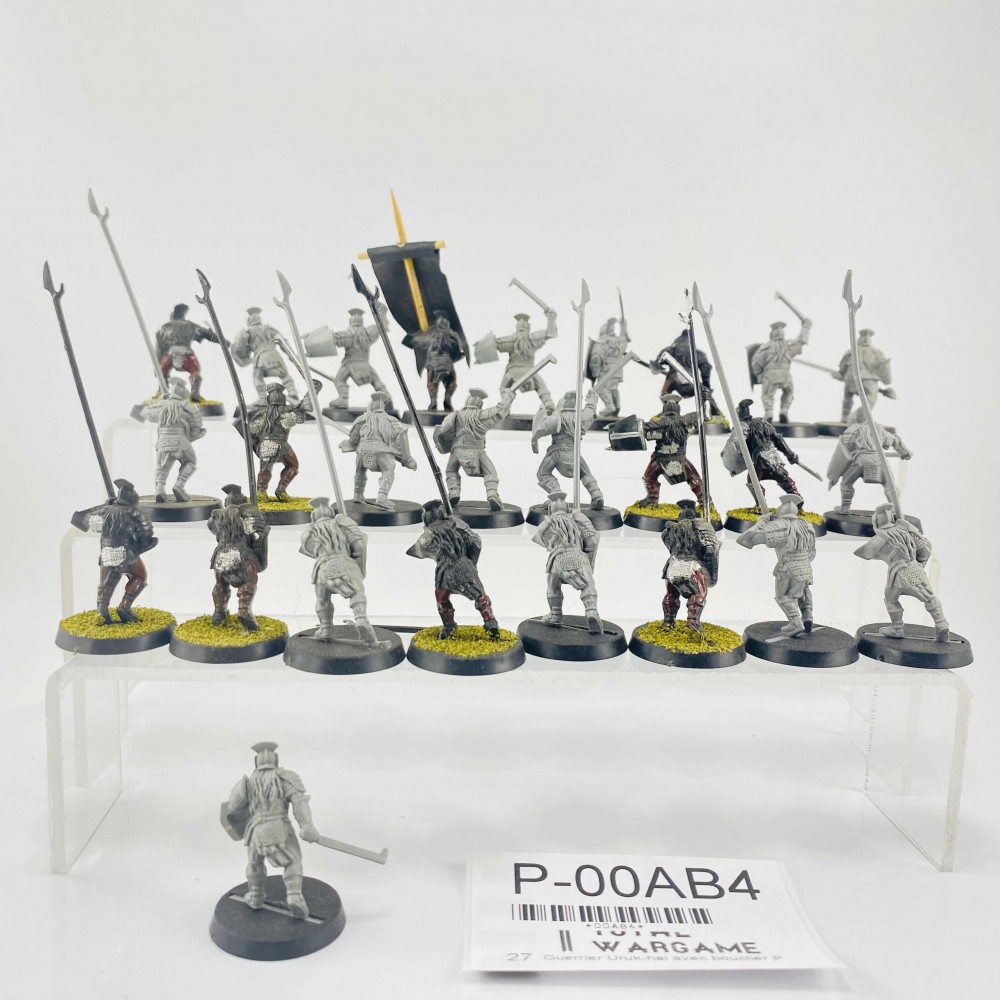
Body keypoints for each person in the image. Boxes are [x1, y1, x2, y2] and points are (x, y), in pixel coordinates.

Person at [221, 742, 320, 920]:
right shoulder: (286, 778)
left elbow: (232, 810)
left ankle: (256, 896)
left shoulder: (246, 783)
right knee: (293, 861)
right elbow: (299, 802)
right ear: (276, 760)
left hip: (255, 830)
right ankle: (294, 896)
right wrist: (307, 825)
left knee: (254, 862)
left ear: (256, 761)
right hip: (279, 827)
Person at [854, 504, 950, 642]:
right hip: (915, 568)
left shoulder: (880, 538)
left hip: (898, 573)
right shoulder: (906, 532)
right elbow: (926, 549)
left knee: (890, 599)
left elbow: (864, 553)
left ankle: (897, 628)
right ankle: (941, 623)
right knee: (929, 597)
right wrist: (910, 529)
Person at [406, 500, 500, 639]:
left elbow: (418, 550)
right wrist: (471, 562)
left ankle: (450, 627)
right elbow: (476, 542)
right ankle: (489, 623)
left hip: (446, 570)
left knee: (443, 599)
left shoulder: (428, 536)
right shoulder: (459, 527)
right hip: (461, 566)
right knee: (478, 596)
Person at [299, 498, 376, 645]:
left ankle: (326, 628)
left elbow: (309, 550)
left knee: (322, 599)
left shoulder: (308, 532)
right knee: (356, 592)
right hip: (343, 562)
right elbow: (359, 546)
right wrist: (355, 561)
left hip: (322, 569)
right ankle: (361, 619)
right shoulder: (343, 523)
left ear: (313, 517)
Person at [737, 494, 815, 636]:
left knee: (783, 597)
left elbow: (744, 540)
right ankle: (808, 615)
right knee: (803, 590)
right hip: (806, 566)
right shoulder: (807, 526)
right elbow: (812, 553)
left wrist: (760, 523)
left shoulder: (777, 527)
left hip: (788, 567)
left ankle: (796, 623)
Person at [532, 491, 602, 633]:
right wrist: (589, 562)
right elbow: (593, 541)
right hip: (578, 555)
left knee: (553, 586)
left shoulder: (545, 525)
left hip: (557, 559)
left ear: (550, 509)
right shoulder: (579, 518)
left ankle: (555, 614)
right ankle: (591, 611)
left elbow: (544, 542)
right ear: (567, 507)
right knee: (587, 584)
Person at [434, 387, 515, 508]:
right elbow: (499, 413)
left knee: (451, 470)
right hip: (477, 451)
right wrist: (509, 399)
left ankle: (453, 492)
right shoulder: (483, 421)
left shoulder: (455, 417)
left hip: (457, 450)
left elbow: (444, 429)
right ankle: (492, 494)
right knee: (491, 473)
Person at [94, 478, 157, 624]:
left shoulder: (105, 512)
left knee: (106, 584)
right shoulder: (136, 513)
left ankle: (102, 610)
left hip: (107, 552)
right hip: (126, 553)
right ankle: (125, 605)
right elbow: (147, 533)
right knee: (140, 576)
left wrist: (106, 507)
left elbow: (87, 522)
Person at [340, 392, 416, 510]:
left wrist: (346, 444)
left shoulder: (361, 420)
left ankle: (358, 494)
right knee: (388, 470)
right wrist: (407, 459)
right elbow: (400, 440)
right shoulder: (392, 421)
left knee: (360, 471)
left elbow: (353, 440)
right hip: (380, 450)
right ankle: (382, 497)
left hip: (362, 450)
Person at [208, 483, 269, 632]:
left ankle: (219, 612)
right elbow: (256, 534)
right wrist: (256, 515)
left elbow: (213, 529)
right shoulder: (246, 514)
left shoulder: (216, 516)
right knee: (249, 581)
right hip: (242, 555)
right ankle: (244, 610)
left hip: (220, 556)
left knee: (220, 584)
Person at [135, 376, 206, 501]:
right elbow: (197, 425)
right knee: (190, 462)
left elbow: (141, 413)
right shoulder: (188, 407)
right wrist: (194, 434)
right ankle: (179, 485)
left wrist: (159, 402)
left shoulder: (160, 406)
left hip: (163, 441)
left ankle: (159, 489)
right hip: (180, 441)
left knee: (161, 467)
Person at [531, 389, 605, 510]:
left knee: (543, 474)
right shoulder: (582, 418)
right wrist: (592, 399)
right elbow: (590, 410)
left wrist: (542, 413)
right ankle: (596, 494)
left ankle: (557, 497)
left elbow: (541, 429)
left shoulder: (556, 418)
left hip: (557, 454)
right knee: (586, 474)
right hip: (574, 455)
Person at [827, 411, 912, 512]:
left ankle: (845, 507)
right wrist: (904, 453)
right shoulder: (879, 430)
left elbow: (844, 452)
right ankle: (895, 508)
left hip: (859, 462)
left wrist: (834, 477)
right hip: (879, 461)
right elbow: (894, 440)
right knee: (889, 485)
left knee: (846, 483)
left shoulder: (850, 432)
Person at [723, 399, 800, 506]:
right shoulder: (763, 422)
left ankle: (761, 505)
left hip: (759, 459)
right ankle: (797, 499)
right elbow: (778, 439)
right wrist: (789, 454)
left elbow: (737, 443)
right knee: (781, 477)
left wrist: (740, 455)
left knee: (753, 482)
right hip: (772, 456)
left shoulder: (742, 426)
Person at [659, 499, 720, 632]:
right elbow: (710, 550)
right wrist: (711, 572)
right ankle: (692, 624)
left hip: (672, 565)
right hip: (692, 567)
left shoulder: (669, 531)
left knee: (671, 594)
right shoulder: (703, 528)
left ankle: (668, 622)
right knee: (699, 595)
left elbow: (669, 545)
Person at [247, 383, 312, 501]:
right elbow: (300, 414)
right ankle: (281, 488)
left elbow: (252, 431)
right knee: (293, 465)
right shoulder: (286, 412)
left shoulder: (261, 414)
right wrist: (303, 406)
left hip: (265, 445)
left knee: (264, 469)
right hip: (281, 446)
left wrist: (256, 446)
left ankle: (261, 491)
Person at [636, 394, 703, 507]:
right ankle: (704, 499)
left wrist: (638, 424)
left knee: (649, 478)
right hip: (680, 459)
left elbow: (644, 430)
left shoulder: (659, 425)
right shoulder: (686, 423)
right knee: (694, 479)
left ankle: (652, 499)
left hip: (660, 460)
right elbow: (699, 418)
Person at [328, 305, 393, 410]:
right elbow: (381, 326)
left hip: (350, 363)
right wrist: (382, 314)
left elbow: (333, 339)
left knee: (339, 380)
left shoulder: (348, 334)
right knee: (375, 381)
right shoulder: (368, 332)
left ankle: (343, 399)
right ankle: (386, 397)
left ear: (351, 322)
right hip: (364, 363)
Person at [749, 317, 811, 423]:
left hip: (770, 375)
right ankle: (784, 410)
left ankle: (769, 413)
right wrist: (806, 327)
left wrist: (759, 375)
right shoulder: (789, 345)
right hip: (785, 375)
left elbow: (755, 363)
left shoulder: (765, 348)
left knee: (767, 395)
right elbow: (801, 341)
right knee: (789, 392)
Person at [652, 326, 721, 419]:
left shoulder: (671, 350)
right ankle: (715, 412)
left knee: (665, 392)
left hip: (674, 379)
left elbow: (656, 364)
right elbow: (706, 368)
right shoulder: (697, 353)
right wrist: (706, 385)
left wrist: (657, 367)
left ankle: (669, 410)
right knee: (704, 393)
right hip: (691, 380)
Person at [232, 307, 299, 403]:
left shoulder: (248, 333)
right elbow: (284, 344)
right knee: (285, 375)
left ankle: (263, 398)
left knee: (257, 378)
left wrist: (243, 353)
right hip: (275, 356)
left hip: (261, 358)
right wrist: (292, 357)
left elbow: (241, 349)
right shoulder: (271, 330)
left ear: (249, 321)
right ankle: (292, 392)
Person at [154, 303, 216, 402]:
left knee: (163, 372)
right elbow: (207, 334)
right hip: (186, 355)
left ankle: (162, 390)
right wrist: (218, 338)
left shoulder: (164, 328)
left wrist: (157, 366)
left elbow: (159, 349)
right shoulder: (189, 325)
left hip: (170, 355)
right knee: (195, 371)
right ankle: (194, 394)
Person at [497, 310, 557, 412]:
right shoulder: (533, 338)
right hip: (530, 372)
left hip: (512, 372)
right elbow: (551, 333)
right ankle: (548, 404)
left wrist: (489, 342)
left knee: (504, 388)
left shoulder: (511, 339)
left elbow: (497, 344)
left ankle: (505, 408)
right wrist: (551, 319)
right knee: (542, 388)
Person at [405, 310, 466, 410]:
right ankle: (447, 399)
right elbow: (457, 354)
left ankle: (433, 401)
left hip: (433, 364)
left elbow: (417, 341)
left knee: (432, 383)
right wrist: (462, 355)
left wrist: (410, 338)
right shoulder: (454, 335)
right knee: (451, 382)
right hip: (447, 363)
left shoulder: (431, 332)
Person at [837, 328, 895, 421]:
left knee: (847, 398)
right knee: (870, 400)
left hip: (851, 380)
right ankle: (857, 419)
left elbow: (842, 369)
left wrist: (839, 375)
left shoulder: (851, 351)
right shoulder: (876, 353)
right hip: (868, 381)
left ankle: (846, 418)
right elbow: (883, 366)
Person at [587, 317, 629, 418]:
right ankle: (617, 406)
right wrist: (623, 327)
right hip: (617, 370)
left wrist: (595, 370)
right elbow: (624, 340)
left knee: (600, 388)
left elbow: (596, 357)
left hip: (607, 370)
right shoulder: (618, 340)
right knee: (613, 389)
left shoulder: (603, 342)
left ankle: (610, 407)